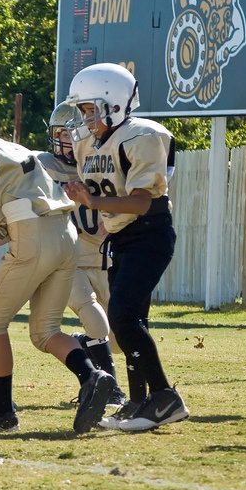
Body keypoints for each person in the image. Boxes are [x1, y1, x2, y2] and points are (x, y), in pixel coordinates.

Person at [0, 96, 115, 435]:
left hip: (31, 235)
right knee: (45, 331)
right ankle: (93, 376)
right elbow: (28, 205)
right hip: (63, 234)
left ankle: (2, 411)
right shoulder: (6, 148)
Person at [62, 62, 187, 432]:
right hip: (121, 236)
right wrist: (103, 219)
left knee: (122, 315)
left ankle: (165, 397)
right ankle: (137, 400)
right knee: (131, 319)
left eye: (89, 109)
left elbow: (141, 202)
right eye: (82, 110)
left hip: (148, 232)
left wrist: (94, 205)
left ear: (114, 104)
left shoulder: (142, 135)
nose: (85, 118)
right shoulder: (90, 141)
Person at [41, 101, 127, 407]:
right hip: (68, 260)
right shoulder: (44, 166)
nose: (64, 140)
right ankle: (112, 389)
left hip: (105, 259)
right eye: (60, 133)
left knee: (119, 339)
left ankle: (81, 345)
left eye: (70, 132)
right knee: (92, 314)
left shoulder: (99, 161)